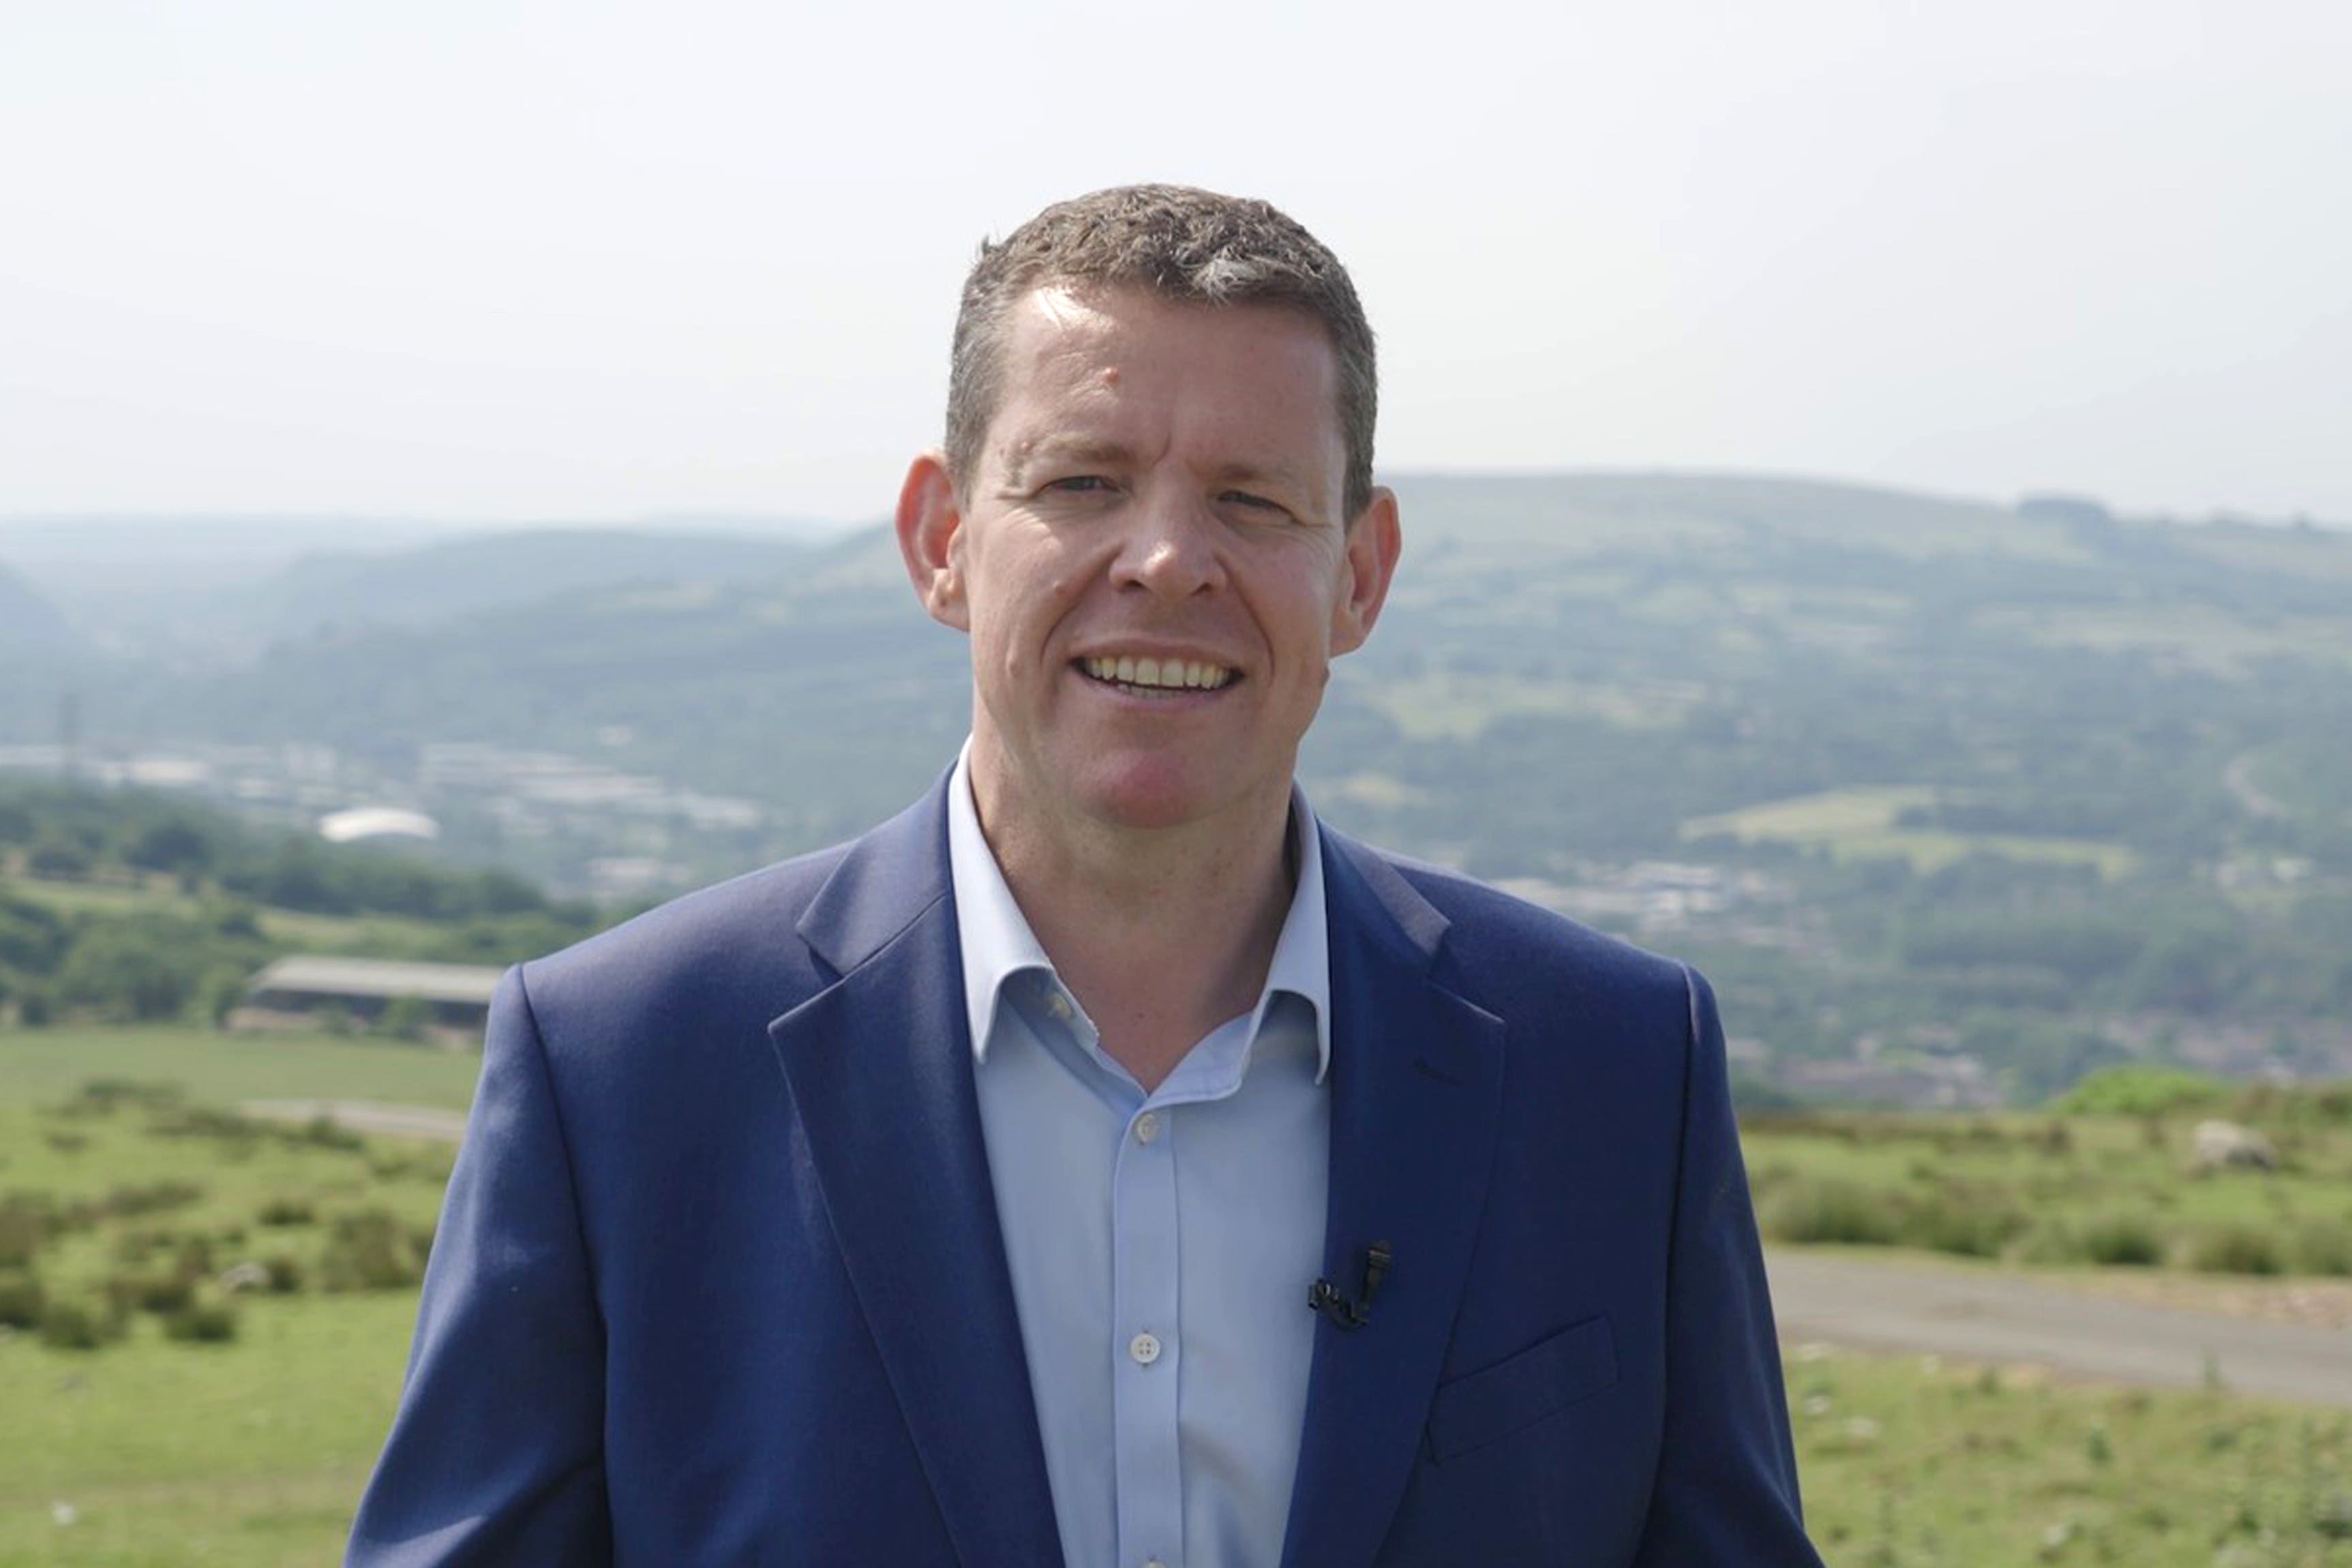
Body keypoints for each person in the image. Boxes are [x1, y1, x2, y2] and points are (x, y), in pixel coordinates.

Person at [348, 184, 1821, 1567]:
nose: (1169, 559)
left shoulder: (1619, 1068)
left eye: (1253, 500)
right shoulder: (617, 1067)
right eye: (1084, 481)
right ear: (941, 540)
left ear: (1360, 572)